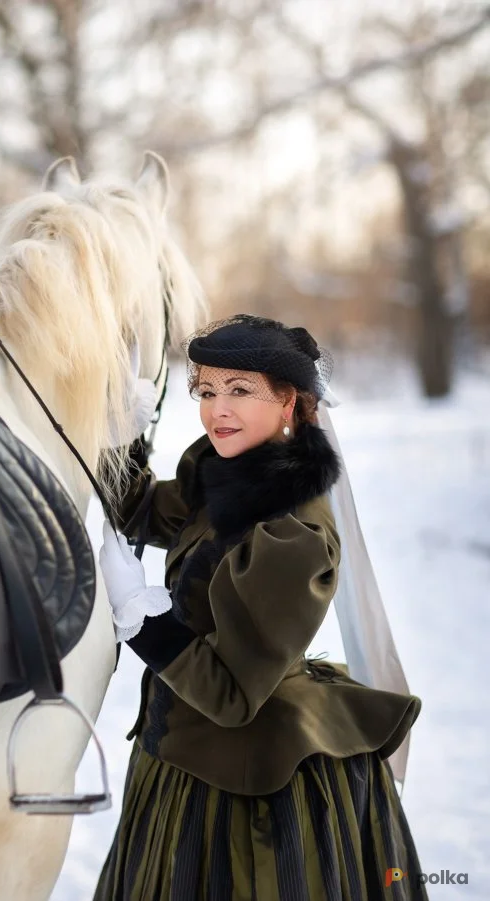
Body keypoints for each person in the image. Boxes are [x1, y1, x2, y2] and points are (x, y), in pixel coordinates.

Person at [94, 314, 426, 901]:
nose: (217, 409)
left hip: (253, 786)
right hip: (181, 751)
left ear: (289, 404)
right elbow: (143, 513)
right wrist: (122, 433)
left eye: (240, 390)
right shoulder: (229, 470)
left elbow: (229, 695)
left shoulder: (292, 533)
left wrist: (137, 615)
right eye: (206, 391)